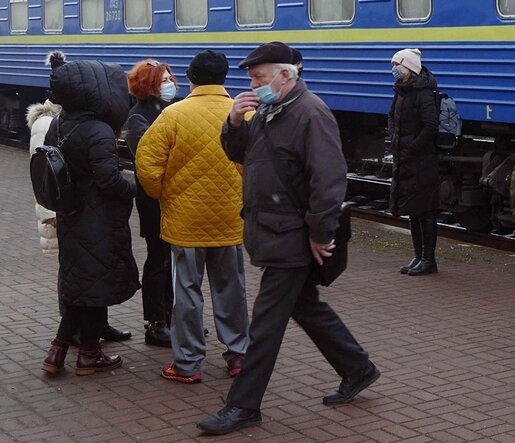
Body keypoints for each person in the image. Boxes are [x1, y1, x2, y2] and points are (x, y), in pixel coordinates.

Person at [197, 42, 377, 435]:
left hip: (291, 236)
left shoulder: (311, 113)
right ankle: (357, 368)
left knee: (264, 325)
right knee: (305, 306)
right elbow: (238, 153)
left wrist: (320, 233)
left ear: (285, 75)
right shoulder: (268, 110)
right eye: (250, 78)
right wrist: (233, 121)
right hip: (272, 230)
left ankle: (243, 406)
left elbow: (329, 181)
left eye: (258, 78)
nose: (252, 84)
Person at [135, 50, 250, 383]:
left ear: (190, 78)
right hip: (230, 218)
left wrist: (164, 194)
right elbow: (254, 163)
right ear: (225, 77)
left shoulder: (173, 115)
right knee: (232, 289)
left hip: (184, 221)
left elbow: (147, 163)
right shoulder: (242, 116)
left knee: (186, 292)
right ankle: (238, 355)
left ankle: (187, 363)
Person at [40, 60, 140, 376]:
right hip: (97, 218)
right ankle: (89, 354)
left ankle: (56, 353)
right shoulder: (97, 129)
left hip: (71, 213)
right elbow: (108, 179)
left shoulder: (59, 123)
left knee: (79, 285)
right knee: (95, 287)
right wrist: (133, 189)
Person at [122, 58, 178, 348]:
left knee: (174, 260)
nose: (170, 85)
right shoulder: (137, 117)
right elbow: (150, 161)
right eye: (163, 80)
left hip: (177, 197)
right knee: (158, 259)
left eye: (170, 79)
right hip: (154, 199)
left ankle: (174, 317)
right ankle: (156, 323)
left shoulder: (170, 110)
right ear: (148, 85)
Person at [388, 48, 441, 275]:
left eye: (397, 65)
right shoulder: (401, 92)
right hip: (407, 159)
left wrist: (411, 147)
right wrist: (395, 140)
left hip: (422, 161)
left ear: (409, 68)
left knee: (425, 210)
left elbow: (431, 125)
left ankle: (429, 260)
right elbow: (391, 117)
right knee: (413, 210)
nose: (394, 70)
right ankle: (418, 256)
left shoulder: (424, 93)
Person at [29, 51, 68, 253]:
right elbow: (40, 172)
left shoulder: (63, 118)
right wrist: (49, 213)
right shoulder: (45, 124)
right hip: (56, 213)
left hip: (65, 209)